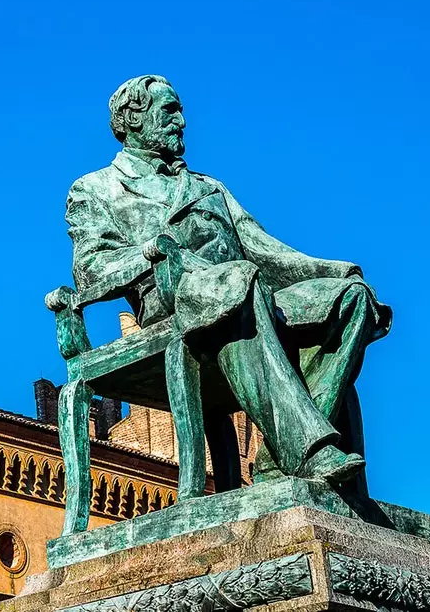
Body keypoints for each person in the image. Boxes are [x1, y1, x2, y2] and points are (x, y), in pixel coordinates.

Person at [66, 75, 391, 486]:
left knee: (350, 299)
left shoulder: (207, 187)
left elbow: (264, 249)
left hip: (246, 286)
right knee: (239, 281)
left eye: (180, 111)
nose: (181, 121)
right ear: (133, 119)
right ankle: (308, 450)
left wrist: (334, 272)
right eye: (169, 111)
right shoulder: (97, 188)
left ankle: (278, 457)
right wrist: (155, 251)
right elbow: (91, 270)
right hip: (174, 300)